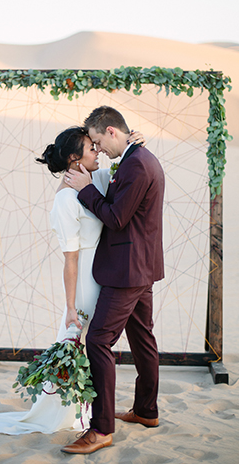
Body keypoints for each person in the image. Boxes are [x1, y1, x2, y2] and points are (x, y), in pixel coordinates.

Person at [0, 125, 144, 435]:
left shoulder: (93, 177)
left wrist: (131, 144)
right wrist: (70, 306)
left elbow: (118, 166)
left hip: (103, 275)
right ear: (75, 159)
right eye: (90, 148)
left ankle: (82, 410)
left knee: (87, 349)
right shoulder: (65, 202)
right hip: (85, 283)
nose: (97, 151)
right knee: (77, 343)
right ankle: (65, 413)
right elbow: (69, 260)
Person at [61, 106, 165, 455]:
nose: (99, 150)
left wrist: (87, 189)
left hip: (126, 270)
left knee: (99, 342)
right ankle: (147, 410)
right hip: (142, 265)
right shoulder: (138, 156)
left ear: (110, 131)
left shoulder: (136, 163)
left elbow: (117, 218)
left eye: (97, 142)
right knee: (141, 337)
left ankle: (102, 429)